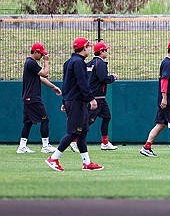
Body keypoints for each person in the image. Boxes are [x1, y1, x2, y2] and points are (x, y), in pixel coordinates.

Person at [45, 37, 103, 172]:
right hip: (77, 101)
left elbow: (66, 84)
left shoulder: (69, 62)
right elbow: (82, 83)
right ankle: (53, 158)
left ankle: (87, 163)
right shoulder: (78, 63)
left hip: (74, 101)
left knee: (82, 133)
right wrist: (91, 99)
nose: (90, 48)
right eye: (88, 46)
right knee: (73, 132)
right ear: (84, 48)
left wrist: (64, 101)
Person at [17, 42, 62, 154]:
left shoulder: (31, 63)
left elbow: (41, 78)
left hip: (29, 97)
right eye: (41, 54)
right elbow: (45, 74)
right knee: (45, 119)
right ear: (36, 52)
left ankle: (22, 146)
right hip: (32, 97)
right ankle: (45, 145)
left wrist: (53, 86)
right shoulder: (31, 63)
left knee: (28, 122)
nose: (42, 56)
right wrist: (46, 62)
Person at [87, 41, 119, 150]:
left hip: (98, 97)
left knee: (107, 116)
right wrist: (113, 77)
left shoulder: (90, 63)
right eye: (106, 50)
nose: (107, 52)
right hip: (96, 97)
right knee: (88, 120)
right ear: (101, 52)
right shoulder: (100, 64)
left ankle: (105, 143)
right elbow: (103, 79)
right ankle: (74, 140)